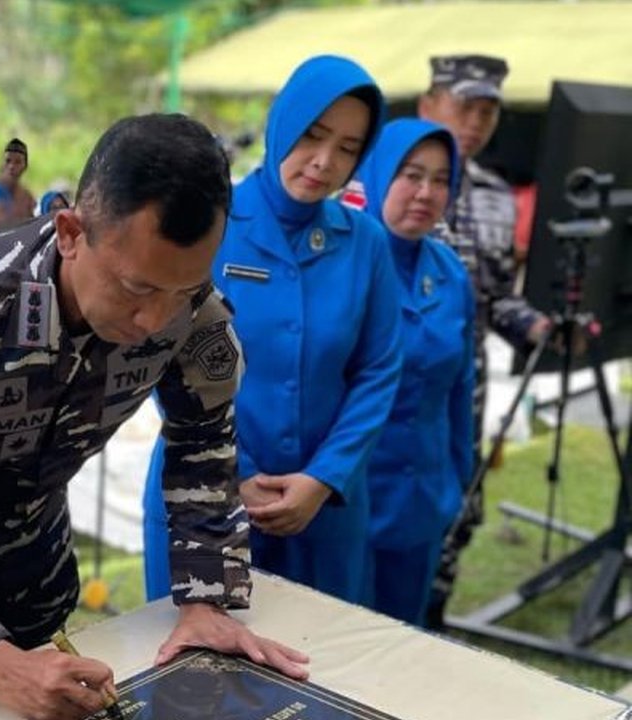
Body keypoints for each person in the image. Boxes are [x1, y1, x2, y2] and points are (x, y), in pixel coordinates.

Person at [0, 113, 309, 720]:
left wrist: (205, 598)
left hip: (36, 587)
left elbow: (203, 439)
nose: (156, 321)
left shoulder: (193, 313)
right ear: (71, 232)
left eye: (182, 291)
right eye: (134, 289)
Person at [143, 55, 402, 606]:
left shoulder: (365, 243)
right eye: (313, 135)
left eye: (349, 148)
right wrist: (238, 472)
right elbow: (161, 352)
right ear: (282, 121)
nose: (324, 162)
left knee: (324, 669)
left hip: (324, 508)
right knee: (194, 674)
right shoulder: (206, 220)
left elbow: (379, 369)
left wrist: (325, 478)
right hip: (203, 494)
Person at [416, 54, 550, 628]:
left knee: (458, 510)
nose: (475, 122)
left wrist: (537, 326)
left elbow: (496, 298)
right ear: (429, 106)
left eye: (488, 112)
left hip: (464, 387)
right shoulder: (385, 180)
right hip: (398, 383)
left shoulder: (497, 195)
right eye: (464, 106)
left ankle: (430, 628)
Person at [353, 119, 476, 625]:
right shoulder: (346, 263)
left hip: (423, 500)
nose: (426, 193)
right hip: (349, 501)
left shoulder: (450, 273)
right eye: (410, 175)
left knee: (404, 643)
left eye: (441, 179)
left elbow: (460, 388)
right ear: (378, 173)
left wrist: (455, 480)